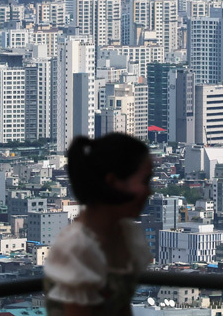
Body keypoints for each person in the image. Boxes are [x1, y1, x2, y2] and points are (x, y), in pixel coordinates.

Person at [43, 134, 154, 316]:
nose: (149, 192)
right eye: (144, 181)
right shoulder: (77, 248)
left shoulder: (125, 232)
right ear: (113, 183)